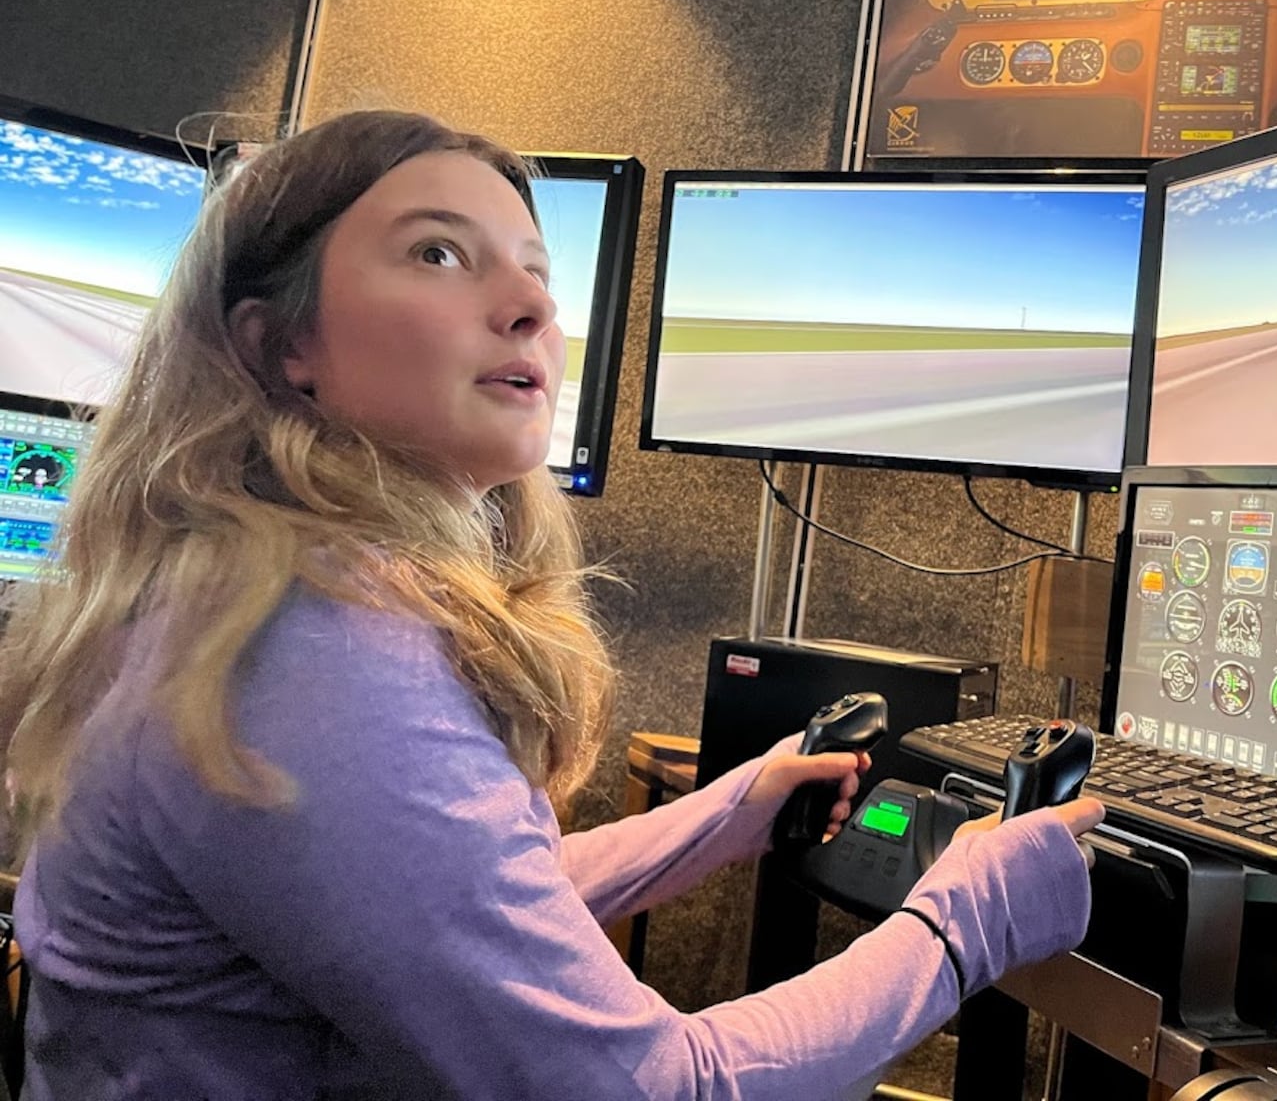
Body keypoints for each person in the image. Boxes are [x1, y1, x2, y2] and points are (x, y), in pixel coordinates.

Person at [0, 111, 1104, 1099]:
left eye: (536, 271)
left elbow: (454, 905)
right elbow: (651, 1089)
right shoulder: (309, 652)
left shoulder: (262, 597)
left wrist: (731, 809)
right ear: (279, 344)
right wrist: (966, 923)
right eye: (439, 253)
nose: (530, 304)